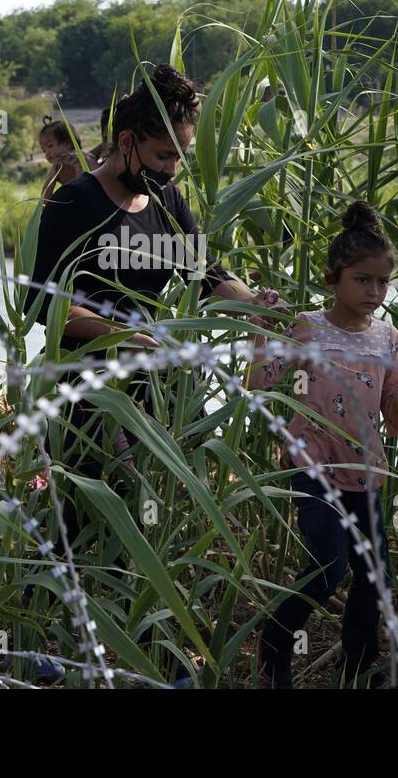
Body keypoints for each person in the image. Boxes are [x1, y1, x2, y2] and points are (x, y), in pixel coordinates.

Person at [24, 63, 279, 541]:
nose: (171, 169)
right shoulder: (74, 203)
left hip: (151, 381)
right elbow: (47, 309)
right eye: (164, 155)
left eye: (180, 156)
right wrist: (124, 335)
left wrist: (260, 308)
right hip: (86, 383)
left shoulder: (167, 199)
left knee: (155, 505)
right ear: (126, 143)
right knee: (96, 512)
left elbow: (204, 275)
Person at [248, 201, 398, 687]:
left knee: (376, 579)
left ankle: (358, 666)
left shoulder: (387, 337)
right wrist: (261, 328)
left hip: (365, 472)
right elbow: (261, 378)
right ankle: (274, 646)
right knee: (328, 569)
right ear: (332, 279)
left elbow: (393, 407)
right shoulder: (310, 326)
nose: (374, 292)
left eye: (382, 282)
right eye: (362, 280)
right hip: (314, 468)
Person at [39, 116, 104, 200]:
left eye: (50, 146)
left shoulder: (80, 158)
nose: (47, 153)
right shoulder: (58, 165)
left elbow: (44, 197)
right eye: (44, 150)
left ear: (67, 143)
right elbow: (45, 196)